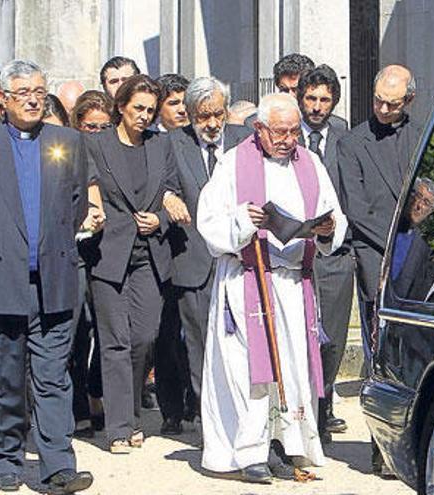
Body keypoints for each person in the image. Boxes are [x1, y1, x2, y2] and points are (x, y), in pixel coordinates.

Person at [0, 59, 93, 494]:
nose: (32, 98)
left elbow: (77, 205)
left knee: (52, 377)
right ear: (5, 99)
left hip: (54, 279)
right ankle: (3, 460)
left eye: (38, 91)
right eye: (23, 91)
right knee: (1, 376)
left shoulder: (66, 141)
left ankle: (58, 464)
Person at [197, 93, 347, 484]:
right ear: (259, 129)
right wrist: (242, 220)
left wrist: (328, 229)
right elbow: (209, 221)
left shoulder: (310, 163)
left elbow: (333, 213)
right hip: (247, 280)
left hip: (294, 285)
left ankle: (284, 445)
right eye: (279, 131)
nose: (288, 139)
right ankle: (248, 452)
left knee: (292, 369)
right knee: (249, 372)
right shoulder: (233, 164)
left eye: (294, 131)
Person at [81, 74, 179, 453]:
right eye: (138, 108)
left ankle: (132, 410)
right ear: (121, 106)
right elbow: (87, 187)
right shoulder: (95, 144)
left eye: (151, 110)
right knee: (114, 341)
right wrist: (94, 214)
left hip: (149, 255)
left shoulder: (161, 145)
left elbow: (173, 190)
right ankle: (119, 427)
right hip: (109, 251)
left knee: (144, 336)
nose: (145, 116)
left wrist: (163, 220)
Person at [157, 77, 252, 436]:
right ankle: (209, 422)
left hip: (239, 262)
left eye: (217, 115)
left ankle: (242, 420)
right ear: (190, 115)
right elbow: (160, 184)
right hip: (193, 262)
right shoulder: (173, 144)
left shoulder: (245, 141)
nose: (211, 124)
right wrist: (168, 196)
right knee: (198, 347)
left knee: (238, 347)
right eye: (202, 116)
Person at [337, 64, 421, 361]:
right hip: (376, 250)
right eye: (378, 100)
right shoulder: (351, 143)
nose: (383, 108)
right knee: (379, 331)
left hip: (420, 251)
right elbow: (356, 209)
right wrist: (397, 243)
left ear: (408, 100)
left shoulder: (423, 137)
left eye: (392, 103)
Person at [295, 64, 354, 444]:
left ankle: (323, 405)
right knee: (297, 336)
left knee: (330, 337)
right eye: (311, 99)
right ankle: (300, 416)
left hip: (335, 253)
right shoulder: (285, 135)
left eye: (325, 100)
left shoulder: (346, 135)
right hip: (294, 250)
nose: (317, 107)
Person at [67, 90, 112, 437]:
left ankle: (96, 391)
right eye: (89, 127)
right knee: (78, 332)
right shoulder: (71, 151)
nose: (96, 133)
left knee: (107, 327)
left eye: (103, 127)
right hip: (76, 251)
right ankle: (80, 403)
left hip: (109, 250)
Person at [244, 54, 348, 130]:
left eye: (296, 90)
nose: (290, 96)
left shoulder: (338, 126)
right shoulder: (258, 123)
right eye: (284, 90)